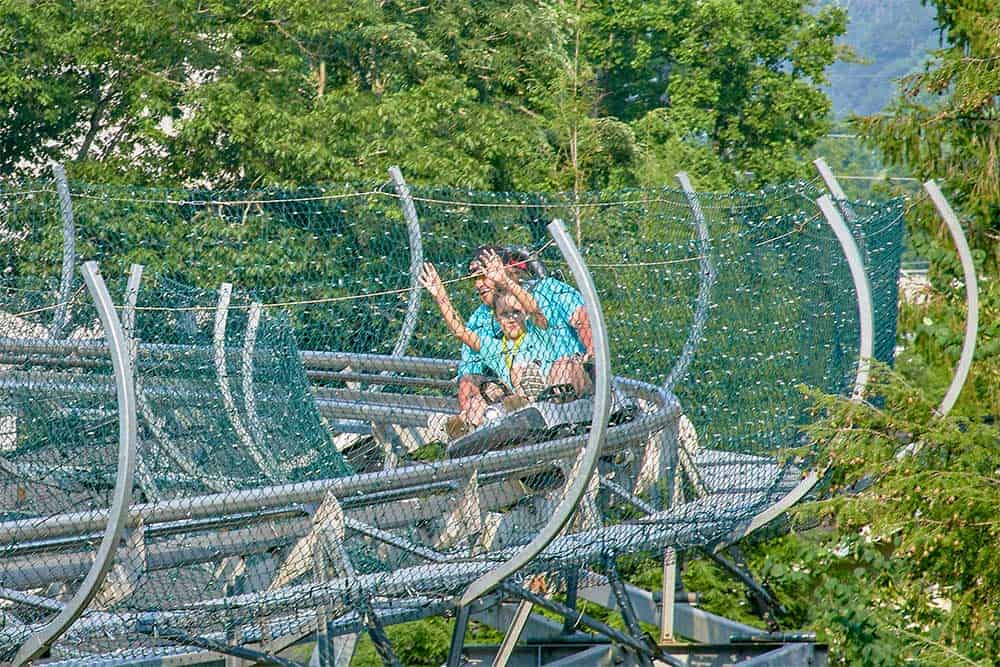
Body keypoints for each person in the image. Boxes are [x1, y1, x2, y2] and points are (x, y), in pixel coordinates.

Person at [420, 251, 589, 433]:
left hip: (556, 395)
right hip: (520, 403)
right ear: (497, 319)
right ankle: (460, 426)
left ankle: (537, 403)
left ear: (524, 313)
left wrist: (505, 281)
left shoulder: (538, 331)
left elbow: (534, 310)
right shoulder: (495, 348)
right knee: (489, 395)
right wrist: (440, 296)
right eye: (505, 315)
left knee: (561, 365)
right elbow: (459, 331)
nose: (511, 318)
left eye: (516, 312)